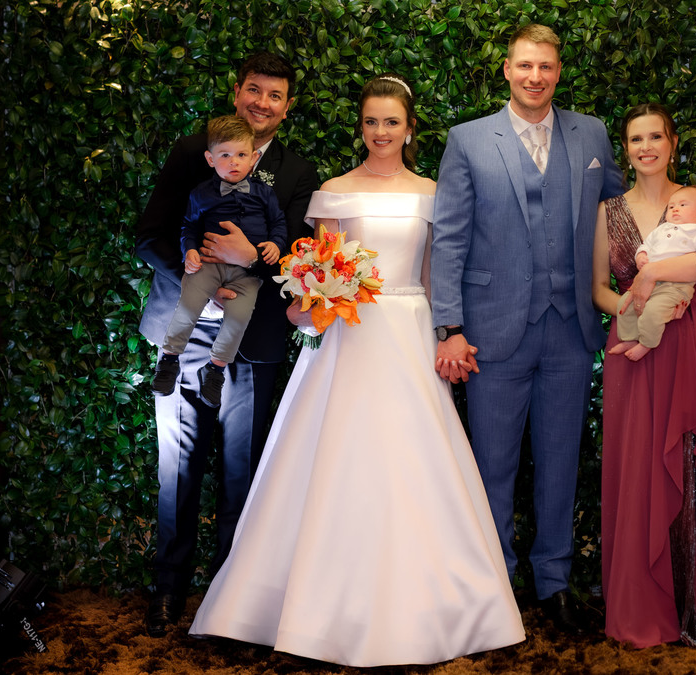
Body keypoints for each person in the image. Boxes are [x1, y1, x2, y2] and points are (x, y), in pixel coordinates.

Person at [188, 74, 525, 666]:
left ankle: (428, 610)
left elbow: (434, 274)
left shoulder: (432, 192)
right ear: (361, 128)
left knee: (414, 459)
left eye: (391, 122)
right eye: (371, 122)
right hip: (350, 334)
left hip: (409, 330)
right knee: (336, 456)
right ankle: (312, 609)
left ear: (410, 129)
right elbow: (321, 269)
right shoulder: (335, 192)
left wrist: (447, 334)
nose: (380, 132)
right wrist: (309, 301)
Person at [429, 23, 626, 634]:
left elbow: (618, 216)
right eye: (524, 65)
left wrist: (666, 258)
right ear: (507, 70)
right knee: (492, 466)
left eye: (545, 66)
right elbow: (449, 237)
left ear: (558, 72)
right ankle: (495, 584)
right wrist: (448, 326)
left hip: (571, 330)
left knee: (561, 463)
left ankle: (554, 582)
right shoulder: (467, 140)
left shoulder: (592, 133)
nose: (535, 77)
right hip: (492, 331)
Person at [134, 52, 318, 637]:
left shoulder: (297, 173)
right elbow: (150, 236)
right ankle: (168, 589)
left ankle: (230, 603)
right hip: (186, 331)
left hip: (254, 339)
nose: (262, 103)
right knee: (178, 467)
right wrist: (197, 277)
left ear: (287, 108)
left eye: (275, 95)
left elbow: (298, 259)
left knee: (243, 471)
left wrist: (249, 260)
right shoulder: (194, 152)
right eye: (254, 90)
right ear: (237, 92)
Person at [590, 102, 696, 647]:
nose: (646, 147)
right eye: (636, 139)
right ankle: (643, 609)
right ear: (625, 148)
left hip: (689, 336)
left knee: (687, 456)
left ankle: (693, 608)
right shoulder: (609, 210)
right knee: (638, 463)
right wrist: (629, 310)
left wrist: (652, 272)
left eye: (656, 137)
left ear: (672, 142)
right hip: (631, 340)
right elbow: (599, 287)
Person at [152, 115, 287, 408]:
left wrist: (275, 244)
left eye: (241, 155)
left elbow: (279, 223)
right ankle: (169, 360)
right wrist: (189, 250)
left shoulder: (265, 194)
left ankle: (215, 370)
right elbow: (188, 226)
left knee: (239, 318)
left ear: (253, 158)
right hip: (208, 264)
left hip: (247, 274)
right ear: (210, 159)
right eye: (225, 155)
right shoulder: (200, 193)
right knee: (188, 305)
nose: (233, 162)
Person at [610, 185, 696, 362]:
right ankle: (629, 338)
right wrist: (641, 256)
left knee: (653, 312)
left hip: (675, 287)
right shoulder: (662, 229)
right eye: (671, 206)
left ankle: (647, 343)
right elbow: (645, 246)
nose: (675, 209)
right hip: (648, 285)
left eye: (683, 205)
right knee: (624, 305)